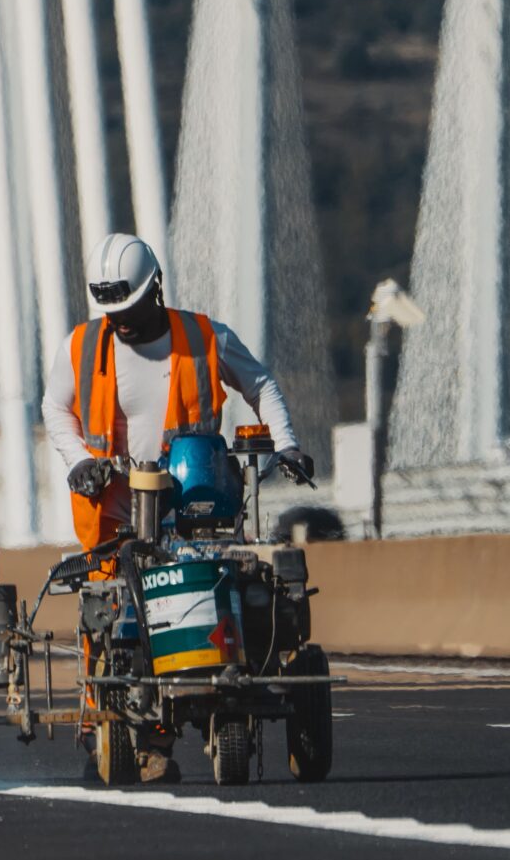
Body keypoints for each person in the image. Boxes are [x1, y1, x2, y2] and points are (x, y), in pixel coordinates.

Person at [43, 232, 315, 782]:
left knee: (239, 591)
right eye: (111, 311)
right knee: (119, 618)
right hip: (120, 513)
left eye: (131, 308)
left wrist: (285, 443)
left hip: (198, 507)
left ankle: (241, 669)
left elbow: (259, 382)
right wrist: (77, 460)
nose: (122, 322)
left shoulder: (203, 336)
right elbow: (56, 406)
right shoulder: (81, 346)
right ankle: (130, 735)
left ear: (155, 289)